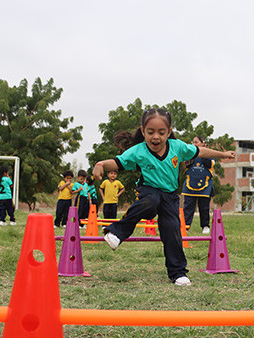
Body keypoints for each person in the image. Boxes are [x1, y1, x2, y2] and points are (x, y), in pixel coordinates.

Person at [92, 108, 235, 286]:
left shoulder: (178, 147)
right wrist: (100, 164)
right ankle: (117, 232)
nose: (156, 137)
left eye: (161, 132)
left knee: (172, 229)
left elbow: (200, 152)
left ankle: (178, 273)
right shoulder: (138, 151)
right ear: (143, 131)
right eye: (150, 132)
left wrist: (223, 154)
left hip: (170, 196)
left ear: (169, 132)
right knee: (151, 201)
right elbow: (117, 162)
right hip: (148, 190)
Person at [181, 136, 215, 234]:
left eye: (196, 142)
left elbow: (210, 164)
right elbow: (185, 165)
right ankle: (185, 227)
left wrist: (202, 153)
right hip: (190, 184)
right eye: (193, 142)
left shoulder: (209, 154)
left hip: (205, 185)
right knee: (188, 207)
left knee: (204, 207)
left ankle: (205, 226)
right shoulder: (189, 154)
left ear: (203, 143)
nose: (194, 144)